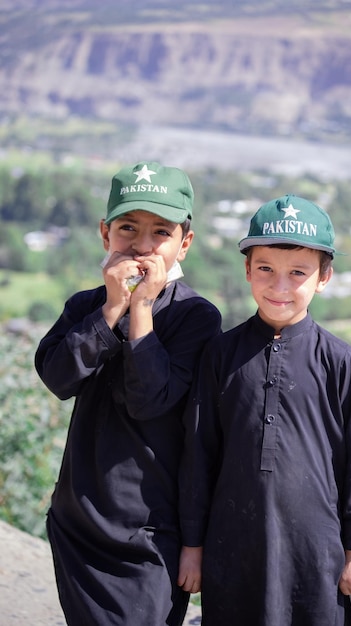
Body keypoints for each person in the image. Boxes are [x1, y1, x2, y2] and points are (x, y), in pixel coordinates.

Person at [34, 161, 222, 626]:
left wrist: (140, 310)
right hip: (79, 524)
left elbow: (150, 400)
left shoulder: (196, 316)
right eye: (128, 228)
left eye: (160, 231)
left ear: (186, 242)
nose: (141, 245)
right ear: (105, 234)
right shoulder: (85, 306)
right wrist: (112, 306)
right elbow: (58, 377)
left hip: (148, 534)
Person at [178, 194, 351, 626]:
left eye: (298, 273)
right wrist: (193, 546)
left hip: (315, 551)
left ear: (324, 278)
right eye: (265, 269)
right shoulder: (220, 354)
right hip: (232, 546)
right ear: (247, 269)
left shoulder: (340, 362)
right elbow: (199, 453)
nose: (280, 286)